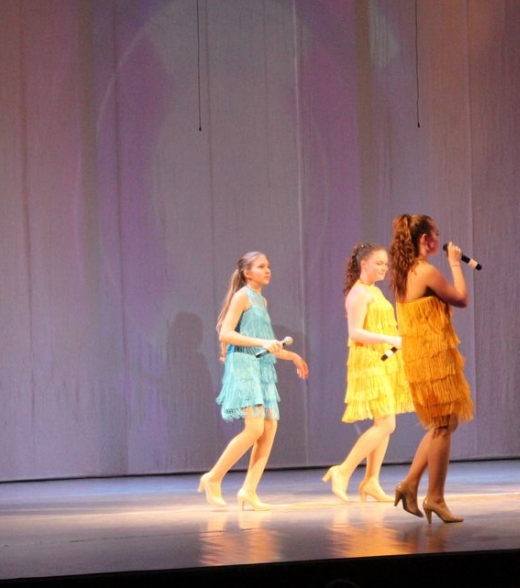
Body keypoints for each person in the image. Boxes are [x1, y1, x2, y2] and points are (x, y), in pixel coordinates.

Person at [197, 252, 309, 510]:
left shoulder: (262, 301)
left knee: (269, 427)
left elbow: (266, 344)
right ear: (247, 273)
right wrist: (262, 343)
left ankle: (249, 490)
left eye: (268, 266)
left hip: (260, 365)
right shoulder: (242, 296)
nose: (267, 270)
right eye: (261, 267)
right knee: (254, 428)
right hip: (243, 364)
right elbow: (226, 334)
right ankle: (213, 477)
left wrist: (292, 356)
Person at [388, 214, 474, 524]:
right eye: (436, 234)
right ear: (425, 239)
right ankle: (435, 497)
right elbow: (461, 298)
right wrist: (455, 265)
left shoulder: (405, 272)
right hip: (432, 357)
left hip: (423, 355)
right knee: (442, 426)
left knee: (443, 424)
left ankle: (410, 484)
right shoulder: (425, 271)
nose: (439, 239)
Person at [322, 243, 414, 503]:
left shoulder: (375, 291)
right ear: (364, 264)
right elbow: (355, 332)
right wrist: (389, 339)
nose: (384, 268)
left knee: (383, 424)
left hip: (384, 360)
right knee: (387, 423)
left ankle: (371, 481)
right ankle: (343, 471)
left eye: (386, 264)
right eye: (379, 263)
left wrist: (397, 337)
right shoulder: (359, 293)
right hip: (368, 361)